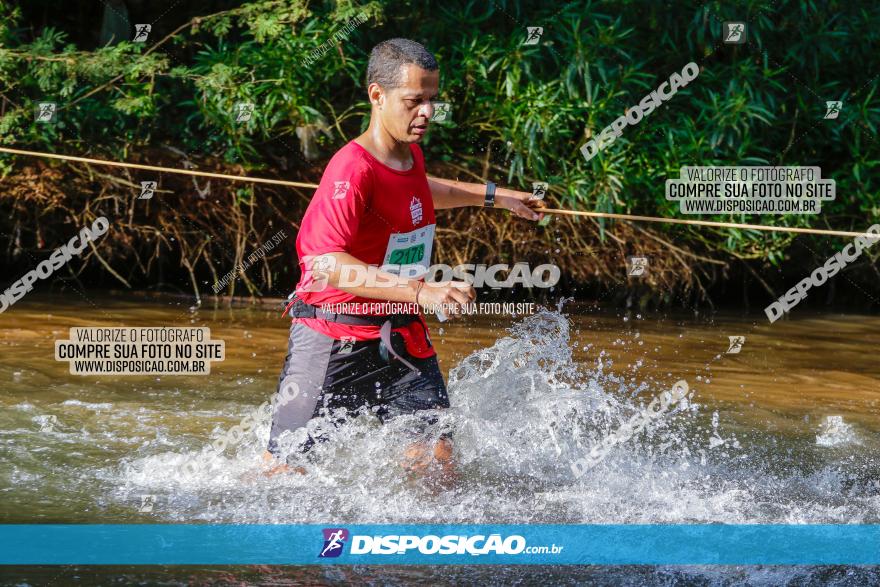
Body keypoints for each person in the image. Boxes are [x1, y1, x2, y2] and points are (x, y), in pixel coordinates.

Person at [262, 38, 545, 483]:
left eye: (432, 100)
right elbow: (325, 262)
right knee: (283, 475)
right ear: (377, 95)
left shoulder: (407, 152)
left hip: (399, 334)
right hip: (334, 338)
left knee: (438, 464)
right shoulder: (351, 170)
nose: (428, 113)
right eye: (415, 101)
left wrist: (495, 196)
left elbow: (416, 188)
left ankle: (420, 551)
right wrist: (421, 290)